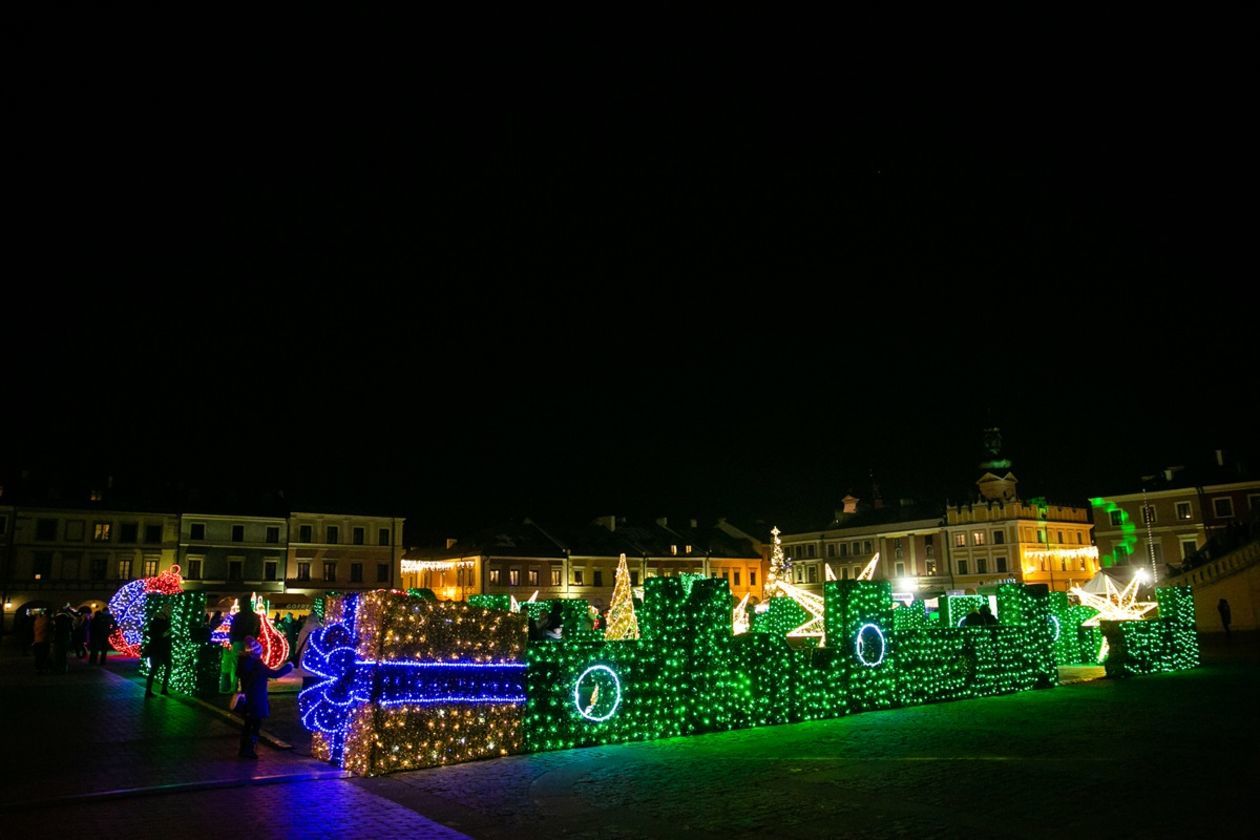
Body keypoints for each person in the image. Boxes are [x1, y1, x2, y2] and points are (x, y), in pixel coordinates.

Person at [235, 636, 294, 759]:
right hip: (257, 698)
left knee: (247, 725)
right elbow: (275, 673)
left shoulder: (244, 662)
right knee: (255, 725)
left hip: (247, 698)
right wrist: (289, 666)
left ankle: (243, 749)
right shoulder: (258, 665)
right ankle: (250, 751)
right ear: (256, 652)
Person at [145, 613, 173, 696]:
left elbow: (151, 634)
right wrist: (164, 634)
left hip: (158, 649)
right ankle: (160, 689)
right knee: (156, 669)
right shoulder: (162, 623)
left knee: (155, 669)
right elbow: (159, 635)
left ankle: (150, 690)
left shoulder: (155, 623)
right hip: (160, 649)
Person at [52, 606, 74, 673]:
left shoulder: (56, 619)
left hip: (58, 638)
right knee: (63, 654)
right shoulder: (67, 620)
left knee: (58, 654)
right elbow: (72, 627)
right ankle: (63, 668)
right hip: (65, 638)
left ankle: (58, 667)